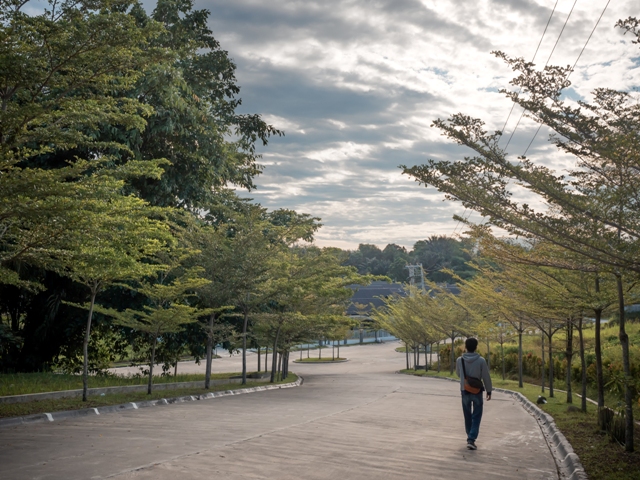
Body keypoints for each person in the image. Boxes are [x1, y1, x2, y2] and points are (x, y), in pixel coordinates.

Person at [456, 337, 492, 450]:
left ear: (465, 347)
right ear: (476, 347)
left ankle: (469, 436)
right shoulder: (481, 360)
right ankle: (471, 438)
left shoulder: (459, 360)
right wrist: (489, 390)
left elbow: (458, 374)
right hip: (477, 391)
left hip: (464, 390)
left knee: (467, 415)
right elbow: (486, 376)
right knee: (476, 415)